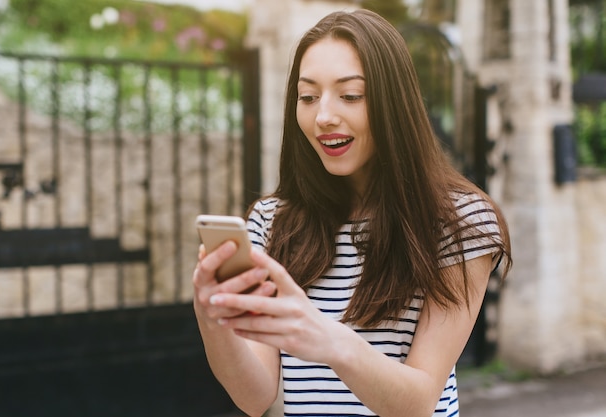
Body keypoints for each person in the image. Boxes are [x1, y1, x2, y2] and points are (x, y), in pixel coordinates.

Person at [192, 9, 511, 417]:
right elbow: (254, 398)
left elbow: (417, 403)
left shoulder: (462, 222)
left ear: (393, 103)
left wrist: (330, 340)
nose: (323, 116)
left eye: (351, 96)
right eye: (307, 97)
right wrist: (211, 315)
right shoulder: (271, 223)